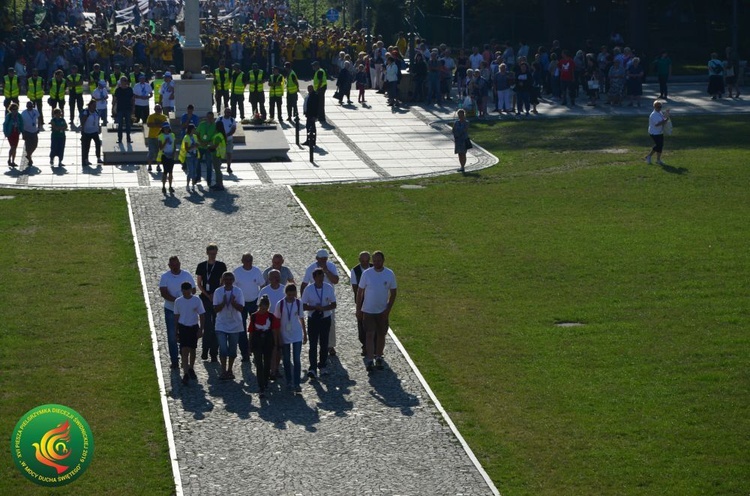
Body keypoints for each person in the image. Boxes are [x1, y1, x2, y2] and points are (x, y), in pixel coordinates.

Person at [356, 251, 398, 373]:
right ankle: (370, 359)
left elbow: (393, 293)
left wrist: (388, 309)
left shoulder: (389, 274)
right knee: (369, 334)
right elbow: (360, 291)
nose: (376, 263)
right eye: (374, 261)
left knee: (381, 334)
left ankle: (379, 356)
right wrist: (359, 309)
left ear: (383, 261)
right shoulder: (367, 274)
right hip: (368, 310)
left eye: (378, 261)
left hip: (382, 310)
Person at [159, 256, 196, 370]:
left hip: (185, 311)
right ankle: (174, 360)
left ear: (180, 264)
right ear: (169, 266)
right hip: (171, 309)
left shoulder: (186, 275)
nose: (175, 267)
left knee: (185, 335)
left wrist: (185, 298)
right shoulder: (165, 277)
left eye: (177, 264)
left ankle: (184, 358)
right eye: (173, 265)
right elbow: (164, 293)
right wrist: (177, 301)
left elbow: (193, 290)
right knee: (172, 335)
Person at [301, 249, 340, 356]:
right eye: (321, 259)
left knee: (330, 322)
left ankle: (330, 345)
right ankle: (317, 344)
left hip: (327, 298)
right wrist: (303, 300)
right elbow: (304, 284)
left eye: (325, 259)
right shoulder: (310, 269)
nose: (323, 261)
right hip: (314, 299)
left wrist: (326, 270)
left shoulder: (331, 266)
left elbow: (335, 280)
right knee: (315, 323)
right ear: (317, 259)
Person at [302, 268, 337, 379]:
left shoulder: (328, 288)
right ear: (314, 277)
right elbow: (303, 306)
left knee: (324, 343)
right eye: (319, 276)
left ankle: (322, 366)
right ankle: (312, 367)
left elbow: (334, 304)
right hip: (313, 319)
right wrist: (314, 307)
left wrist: (323, 308)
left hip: (325, 318)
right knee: (313, 344)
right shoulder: (308, 289)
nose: (321, 278)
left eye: (322, 276)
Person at [273, 284, 307, 394]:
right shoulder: (280, 304)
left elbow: (301, 318)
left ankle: (296, 383)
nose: (291, 297)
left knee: (297, 359)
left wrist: (305, 334)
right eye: (289, 295)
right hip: (284, 334)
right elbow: (277, 321)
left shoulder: (298, 303)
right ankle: (288, 381)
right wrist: (278, 337)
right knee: (287, 359)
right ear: (285, 293)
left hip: (296, 333)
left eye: (293, 294)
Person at [195, 243, 226, 362]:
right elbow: (199, 283)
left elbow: (222, 282)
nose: (213, 256)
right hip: (205, 298)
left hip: (217, 297)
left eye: (214, 253)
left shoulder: (221, 266)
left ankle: (214, 352)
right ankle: (205, 349)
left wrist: (215, 294)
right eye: (211, 253)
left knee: (216, 325)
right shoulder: (202, 266)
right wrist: (208, 295)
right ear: (207, 253)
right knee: (207, 325)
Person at [213, 272, 245, 380]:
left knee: (232, 349)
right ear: (222, 280)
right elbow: (215, 309)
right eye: (226, 279)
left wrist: (233, 303)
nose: (228, 281)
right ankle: (223, 370)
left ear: (233, 280)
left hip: (235, 324)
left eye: (230, 279)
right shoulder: (218, 291)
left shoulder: (238, 291)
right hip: (221, 324)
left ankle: (230, 369)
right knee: (223, 348)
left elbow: (241, 308)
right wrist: (223, 303)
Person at [233, 252, 265, 362]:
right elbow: (233, 288)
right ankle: (245, 352)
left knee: (257, 328)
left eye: (250, 260)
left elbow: (262, 285)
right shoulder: (237, 272)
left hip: (254, 302)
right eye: (246, 260)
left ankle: (256, 351)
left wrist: (261, 301)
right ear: (242, 261)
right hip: (241, 304)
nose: (248, 262)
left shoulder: (256, 271)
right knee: (241, 329)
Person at [173, 281, 205, 385]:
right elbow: (176, 316)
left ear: (191, 290)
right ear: (182, 291)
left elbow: (201, 314)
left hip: (193, 327)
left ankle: (191, 367)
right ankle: (185, 372)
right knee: (184, 350)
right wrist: (175, 330)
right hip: (183, 327)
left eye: (188, 290)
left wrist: (201, 329)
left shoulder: (196, 300)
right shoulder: (178, 301)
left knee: (192, 349)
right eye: (184, 290)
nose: (186, 292)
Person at [248, 295, 276, 398]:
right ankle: (261, 386)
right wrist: (249, 346)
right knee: (259, 364)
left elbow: (273, 331)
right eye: (261, 308)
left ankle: (265, 381)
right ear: (259, 306)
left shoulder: (271, 317)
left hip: (268, 342)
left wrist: (276, 344)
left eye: (265, 309)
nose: (263, 311)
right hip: (257, 341)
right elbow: (251, 331)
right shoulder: (254, 316)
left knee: (267, 363)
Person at [350, 251, 374, 356]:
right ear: (359, 260)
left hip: (374, 301)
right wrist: (358, 305)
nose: (365, 263)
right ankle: (364, 345)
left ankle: (375, 347)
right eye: (362, 260)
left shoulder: (375, 268)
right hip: (363, 302)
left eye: (366, 260)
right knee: (362, 325)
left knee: (375, 325)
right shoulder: (355, 271)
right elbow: (356, 289)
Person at [644, 100, 670, 166]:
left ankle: (658, 159)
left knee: (660, 146)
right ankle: (649, 156)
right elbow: (657, 124)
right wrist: (665, 120)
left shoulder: (659, 112)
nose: (659, 108)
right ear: (654, 107)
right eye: (658, 107)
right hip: (654, 132)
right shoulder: (653, 115)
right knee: (659, 145)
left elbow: (663, 118)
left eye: (660, 107)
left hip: (660, 131)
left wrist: (666, 114)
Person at [80, 100, 103, 168]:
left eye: (95, 105)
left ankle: (98, 158)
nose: (95, 106)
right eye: (93, 105)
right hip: (87, 132)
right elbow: (83, 121)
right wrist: (82, 130)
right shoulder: (86, 112)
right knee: (87, 146)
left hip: (94, 131)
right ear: (90, 105)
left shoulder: (96, 111)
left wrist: (99, 127)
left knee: (98, 144)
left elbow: (97, 120)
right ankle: (86, 159)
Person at [197, 111, 217, 186]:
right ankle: (198, 177)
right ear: (206, 117)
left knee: (209, 165)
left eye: (211, 118)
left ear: (213, 118)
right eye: (208, 117)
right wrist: (200, 141)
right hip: (200, 147)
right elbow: (197, 133)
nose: (209, 119)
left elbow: (215, 137)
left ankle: (209, 180)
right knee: (197, 163)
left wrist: (208, 143)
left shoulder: (214, 126)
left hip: (208, 148)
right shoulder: (202, 124)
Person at [145, 105, 167, 172]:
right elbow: (149, 125)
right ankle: (149, 165)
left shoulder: (164, 117)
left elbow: (164, 126)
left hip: (160, 137)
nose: (158, 110)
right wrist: (158, 124)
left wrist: (155, 124)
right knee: (151, 152)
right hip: (151, 137)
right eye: (157, 109)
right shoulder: (151, 116)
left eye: (160, 109)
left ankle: (158, 166)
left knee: (159, 152)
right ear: (154, 109)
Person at [179, 123, 200, 192]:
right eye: (194, 129)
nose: (195, 130)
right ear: (191, 129)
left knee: (194, 171)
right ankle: (187, 184)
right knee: (190, 171)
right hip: (189, 156)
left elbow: (197, 145)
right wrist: (194, 146)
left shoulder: (195, 136)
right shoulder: (186, 137)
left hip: (195, 155)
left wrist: (197, 145)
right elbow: (186, 148)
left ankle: (193, 185)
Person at [113, 76, 134, 143]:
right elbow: (115, 100)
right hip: (120, 109)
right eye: (122, 80)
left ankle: (128, 139)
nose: (123, 82)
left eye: (125, 80)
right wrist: (113, 109)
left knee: (128, 125)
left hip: (128, 109)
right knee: (120, 125)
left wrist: (133, 108)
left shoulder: (130, 89)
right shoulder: (117, 90)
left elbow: (132, 99)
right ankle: (119, 139)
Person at [20, 101, 40, 167]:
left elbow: (39, 118)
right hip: (27, 131)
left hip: (34, 131)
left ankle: (28, 155)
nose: (30, 108)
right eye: (29, 106)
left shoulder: (35, 111)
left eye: (31, 106)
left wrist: (39, 127)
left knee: (35, 145)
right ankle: (30, 159)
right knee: (28, 146)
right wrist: (23, 133)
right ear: (26, 106)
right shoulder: (23, 113)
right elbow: (21, 124)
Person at [158, 122, 176, 193]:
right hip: (164, 155)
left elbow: (174, 145)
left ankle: (170, 186)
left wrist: (174, 154)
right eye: (165, 128)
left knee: (171, 172)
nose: (166, 129)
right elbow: (160, 147)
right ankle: (163, 186)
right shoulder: (161, 136)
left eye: (168, 128)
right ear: (163, 128)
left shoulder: (172, 135)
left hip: (171, 155)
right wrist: (165, 141)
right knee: (165, 171)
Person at [3, 103, 23, 168]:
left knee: (15, 147)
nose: (15, 111)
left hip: (16, 133)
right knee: (12, 146)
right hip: (10, 133)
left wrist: (22, 131)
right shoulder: (9, 116)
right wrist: (5, 133)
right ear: (11, 110)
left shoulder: (19, 116)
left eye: (16, 109)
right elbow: (5, 124)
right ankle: (9, 159)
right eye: (13, 109)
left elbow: (22, 124)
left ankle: (13, 161)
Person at [209, 120, 227, 191]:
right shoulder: (221, 134)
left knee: (217, 170)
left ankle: (220, 184)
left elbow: (215, 146)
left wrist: (208, 147)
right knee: (217, 170)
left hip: (216, 154)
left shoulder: (217, 136)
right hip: (219, 154)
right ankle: (218, 183)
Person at [218, 107, 236, 174]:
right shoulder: (220, 119)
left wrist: (227, 135)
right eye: (227, 112)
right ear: (224, 112)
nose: (229, 114)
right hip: (221, 140)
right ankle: (218, 164)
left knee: (229, 153)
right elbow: (216, 127)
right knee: (219, 153)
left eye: (229, 112)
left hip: (229, 139)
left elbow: (233, 129)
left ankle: (228, 166)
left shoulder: (232, 120)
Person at [452, 108, 470, 173]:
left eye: (461, 115)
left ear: (463, 115)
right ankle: (461, 166)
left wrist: (459, 134)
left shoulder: (466, 122)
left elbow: (465, 130)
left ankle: (463, 166)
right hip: (457, 140)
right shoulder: (456, 122)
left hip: (463, 140)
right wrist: (455, 136)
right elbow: (453, 130)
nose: (460, 116)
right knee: (459, 153)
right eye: (459, 115)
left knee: (463, 153)